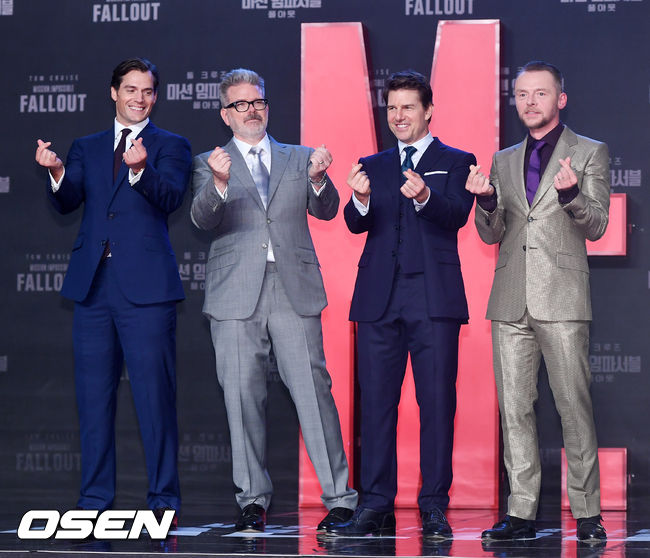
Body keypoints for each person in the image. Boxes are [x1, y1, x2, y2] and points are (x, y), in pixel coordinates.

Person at [190, 68, 357, 533]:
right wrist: (219, 184)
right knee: (241, 396)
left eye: (258, 101)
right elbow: (202, 219)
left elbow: (326, 209)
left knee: (313, 391)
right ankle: (252, 500)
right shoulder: (209, 161)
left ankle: (340, 498)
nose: (252, 110)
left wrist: (321, 180)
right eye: (241, 104)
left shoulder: (300, 157)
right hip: (234, 293)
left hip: (293, 287)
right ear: (226, 114)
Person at [34, 58, 191, 519]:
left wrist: (140, 171)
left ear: (155, 97)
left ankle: (164, 502)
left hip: (147, 293)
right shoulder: (87, 146)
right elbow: (67, 201)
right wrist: (57, 171)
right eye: (130, 90)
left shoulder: (171, 145)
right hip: (93, 291)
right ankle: (93, 502)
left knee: (155, 401)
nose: (139, 99)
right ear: (113, 92)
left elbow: (170, 198)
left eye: (147, 91)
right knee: (93, 401)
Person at [327, 70, 475, 539]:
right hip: (378, 301)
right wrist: (362, 198)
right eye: (392, 107)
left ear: (428, 111)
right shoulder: (372, 164)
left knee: (436, 404)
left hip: (433, 299)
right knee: (376, 406)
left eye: (408, 107)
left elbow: (455, 215)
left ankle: (433, 504)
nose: (399, 116)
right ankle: (375, 505)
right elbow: (353, 222)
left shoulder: (456, 160)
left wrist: (427, 195)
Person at [466, 61, 609, 544]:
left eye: (540, 94)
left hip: (563, 298)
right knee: (515, 410)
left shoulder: (589, 152)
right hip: (509, 300)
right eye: (522, 94)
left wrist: (571, 196)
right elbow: (494, 232)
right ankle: (521, 513)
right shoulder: (503, 159)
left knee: (574, 407)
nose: (529, 102)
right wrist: (486, 203)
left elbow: (598, 225)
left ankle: (588, 513)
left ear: (560, 99)